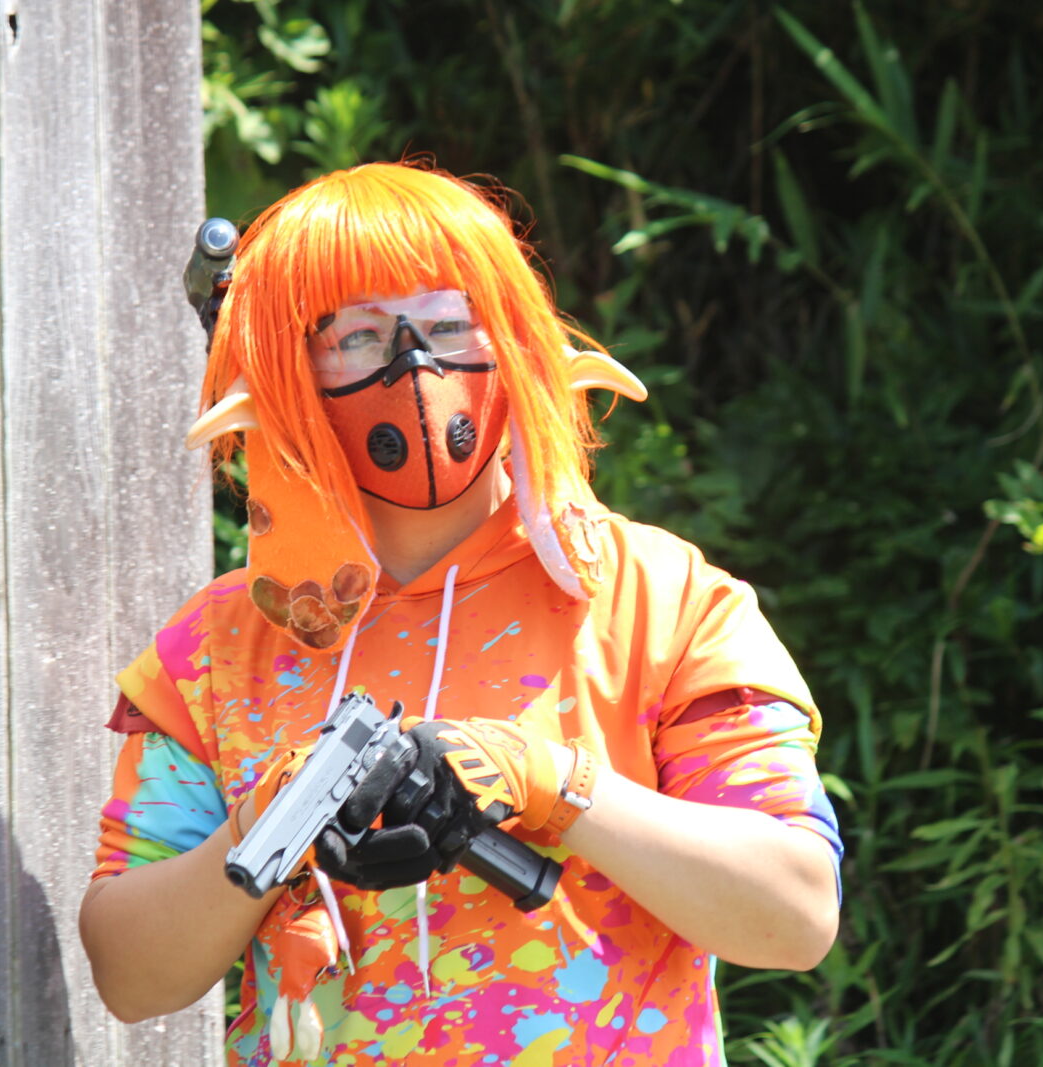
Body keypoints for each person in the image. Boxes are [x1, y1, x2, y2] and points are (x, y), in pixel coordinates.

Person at [78, 161, 843, 1067]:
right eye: (356, 335)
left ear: (512, 339)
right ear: (285, 371)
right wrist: (273, 819)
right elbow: (130, 977)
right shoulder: (216, 645)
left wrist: (556, 785)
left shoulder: (661, 597)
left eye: (449, 323)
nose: (414, 362)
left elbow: (796, 913)